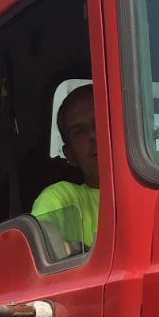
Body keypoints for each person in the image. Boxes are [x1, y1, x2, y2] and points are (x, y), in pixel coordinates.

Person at [32, 84, 98, 250]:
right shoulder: (61, 199)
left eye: (100, 122)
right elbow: (42, 248)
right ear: (70, 154)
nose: (93, 135)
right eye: (79, 131)